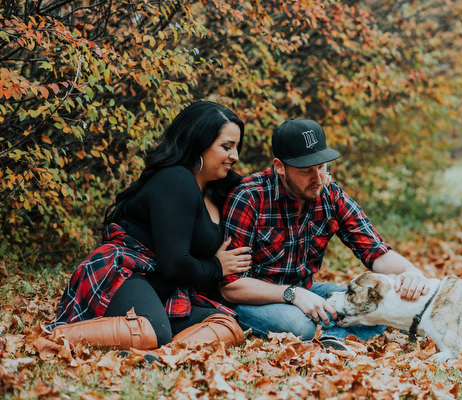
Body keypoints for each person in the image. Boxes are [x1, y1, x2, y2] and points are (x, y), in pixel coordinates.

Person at [33, 101, 252, 357]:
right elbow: (175, 264)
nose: (235, 157)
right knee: (154, 331)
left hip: (166, 288)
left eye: (237, 147)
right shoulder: (176, 179)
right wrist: (217, 267)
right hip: (125, 271)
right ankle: (47, 339)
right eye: (226, 147)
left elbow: (260, 187)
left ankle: (160, 359)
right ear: (198, 143)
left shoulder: (218, 189)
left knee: (225, 324)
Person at [219, 118, 429, 349]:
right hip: (254, 300)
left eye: (321, 167)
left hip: (307, 290)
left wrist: (411, 271)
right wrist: (293, 294)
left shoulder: (330, 195)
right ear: (279, 166)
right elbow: (230, 286)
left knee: (374, 302)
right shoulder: (249, 198)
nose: (318, 178)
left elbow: (374, 250)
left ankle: (332, 340)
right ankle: (335, 336)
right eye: (306, 170)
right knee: (299, 326)